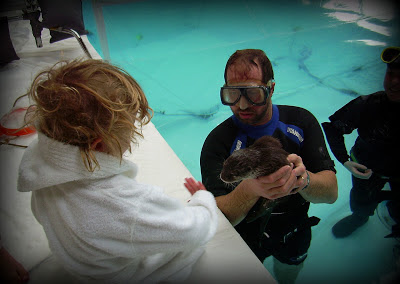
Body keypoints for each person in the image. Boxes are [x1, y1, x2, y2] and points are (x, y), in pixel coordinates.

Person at [17, 59, 218, 283]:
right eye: (130, 128)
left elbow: (40, 213)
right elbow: (194, 231)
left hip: (83, 267)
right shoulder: (126, 203)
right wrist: (203, 200)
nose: (132, 134)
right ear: (99, 145)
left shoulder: (41, 168)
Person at [199, 49, 338, 284]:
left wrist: (303, 180)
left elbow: (332, 193)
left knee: (288, 275)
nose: (242, 104)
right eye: (233, 94)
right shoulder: (218, 142)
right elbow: (216, 218)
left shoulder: (302, 123)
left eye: (253, 93)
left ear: (271, 88)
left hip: (295, 230)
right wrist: (251, 189)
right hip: (245, 238)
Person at [322, 46, 400, 239]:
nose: (394, 83)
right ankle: (360, 217)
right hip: (366, 168)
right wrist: (344, 160)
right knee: (360, 199)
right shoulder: (369, 104)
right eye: (391, 74)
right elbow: (333, 128)